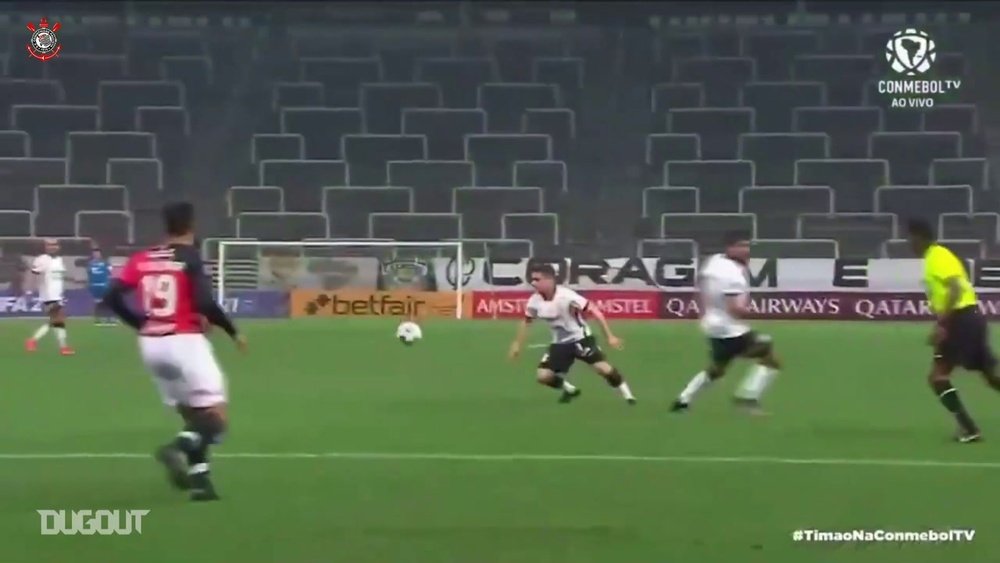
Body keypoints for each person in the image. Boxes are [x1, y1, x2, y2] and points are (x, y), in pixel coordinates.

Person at [103, 202, 247, 501]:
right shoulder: (190, 258)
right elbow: (205, 303)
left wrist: (141, 322)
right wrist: (233, 332)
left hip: (151, 345)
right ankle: (176, 448)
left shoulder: (142, 258)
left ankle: (200, 482)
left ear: (165, 225)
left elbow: (112, 296)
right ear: (192, 225)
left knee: (194, 415)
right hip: (184, 341)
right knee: (216, 418)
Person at [907, 219, 1000, 443]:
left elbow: (955, 289)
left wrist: (942, 324)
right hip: (970, 318)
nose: (909, 244)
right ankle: (969, 429)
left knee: (937, 377)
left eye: (910, 239)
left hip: (960, 321)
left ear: (920, 237)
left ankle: (969, 429)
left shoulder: (937, 256)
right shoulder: (937, 256)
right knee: (991, 376)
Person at [671, 231, 782, 415]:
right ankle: (748, 397)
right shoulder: (733, 276)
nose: (746, 250)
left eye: (747, 246)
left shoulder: (714, 262)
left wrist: (704, 312)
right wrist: (761, 314)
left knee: (718, 368)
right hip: (730, 329)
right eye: (741, 246)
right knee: (770, 355)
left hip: (712, 325)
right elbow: (734, 309)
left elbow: (700, 288)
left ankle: (683, 400)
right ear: (729, 247)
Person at [508, 264, 636, 404]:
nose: (533, 283)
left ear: (549, 280)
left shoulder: (567, 296)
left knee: (603, 369)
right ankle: (570, 390)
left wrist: (609, 336)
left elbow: (595, 312)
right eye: (532, 279)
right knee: (543, 376)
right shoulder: (534, 300)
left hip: (580, 339)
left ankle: (628, 396)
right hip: (560, 343)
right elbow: (526, 322)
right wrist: (517, 344)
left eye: (537, 279)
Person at [26, 238, 74, 355]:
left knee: (56, 321)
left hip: (58, 295)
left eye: (54, 244)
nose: (52, 247)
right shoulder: (42, 260)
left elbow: (59, 277)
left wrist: (73, 280)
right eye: (49, 245)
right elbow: (33, 274)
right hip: (48, 295)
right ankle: (62, 347)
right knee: (58, 319)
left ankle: (34, 341)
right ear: (45, 247)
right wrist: (29, 291)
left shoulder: (59, 260)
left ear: (58, 246)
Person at [87, 247, 114, 326]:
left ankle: (109, 319)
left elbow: (110, 273)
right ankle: (98, 319)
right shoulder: (90, 264)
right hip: (95, 286)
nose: (96, 254)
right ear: (93, 254)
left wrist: (109, 282)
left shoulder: (106, 263)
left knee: (107, 302)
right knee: (98, 303)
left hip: (104, 284)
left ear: (100, 254)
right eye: (94, 253)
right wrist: (89, 284)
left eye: (98, 253)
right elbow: (89, 274)